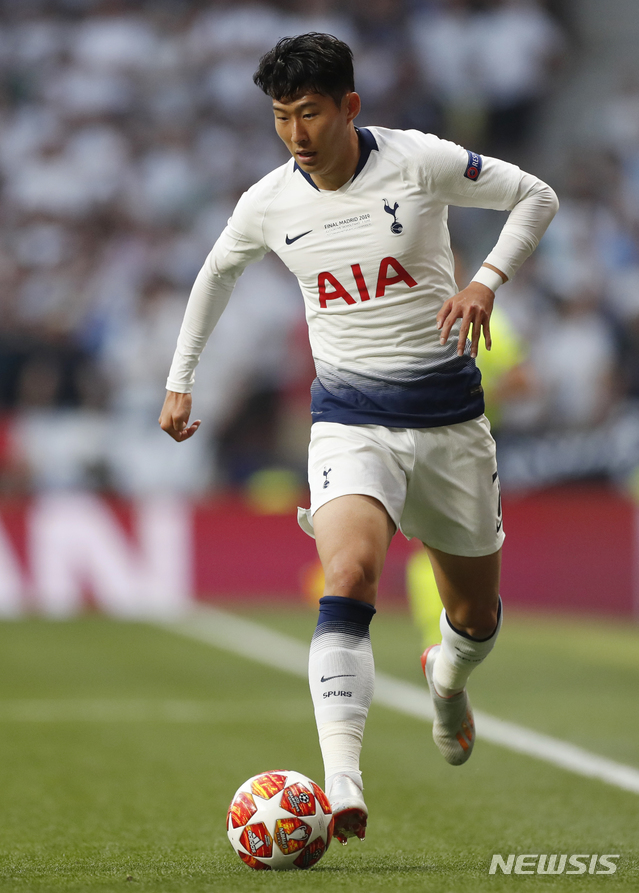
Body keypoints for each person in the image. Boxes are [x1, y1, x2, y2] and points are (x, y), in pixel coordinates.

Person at [159, 33, 558, 845]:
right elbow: (216, 273)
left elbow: (535, 195)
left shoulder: (418, 161)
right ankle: (341, 780)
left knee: (474, 617)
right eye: (281, 116)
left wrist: (485, 280)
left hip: (449, 421)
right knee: (346, 574)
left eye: (309, 113)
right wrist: (180, 377)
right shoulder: (268, 201)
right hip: (349, 418)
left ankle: (445, 677)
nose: (295, 133)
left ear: (349, 106)